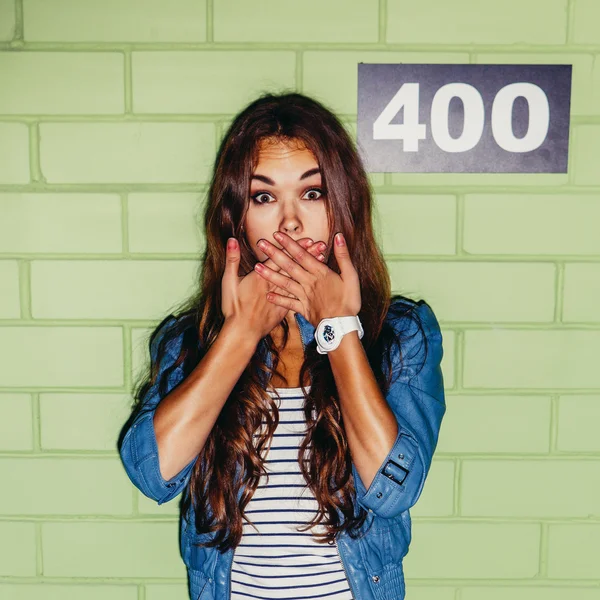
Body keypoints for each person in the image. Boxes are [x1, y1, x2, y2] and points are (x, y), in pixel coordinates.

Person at [118, 91, 446, 600]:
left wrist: (337, 326)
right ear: (238, 219)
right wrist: (240, 334)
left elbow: (393, 488)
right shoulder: (192, 340)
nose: (289, 222)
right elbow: (151, 473)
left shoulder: (401, 333)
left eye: (312, 194)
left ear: (342, 206)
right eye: (264, 197)